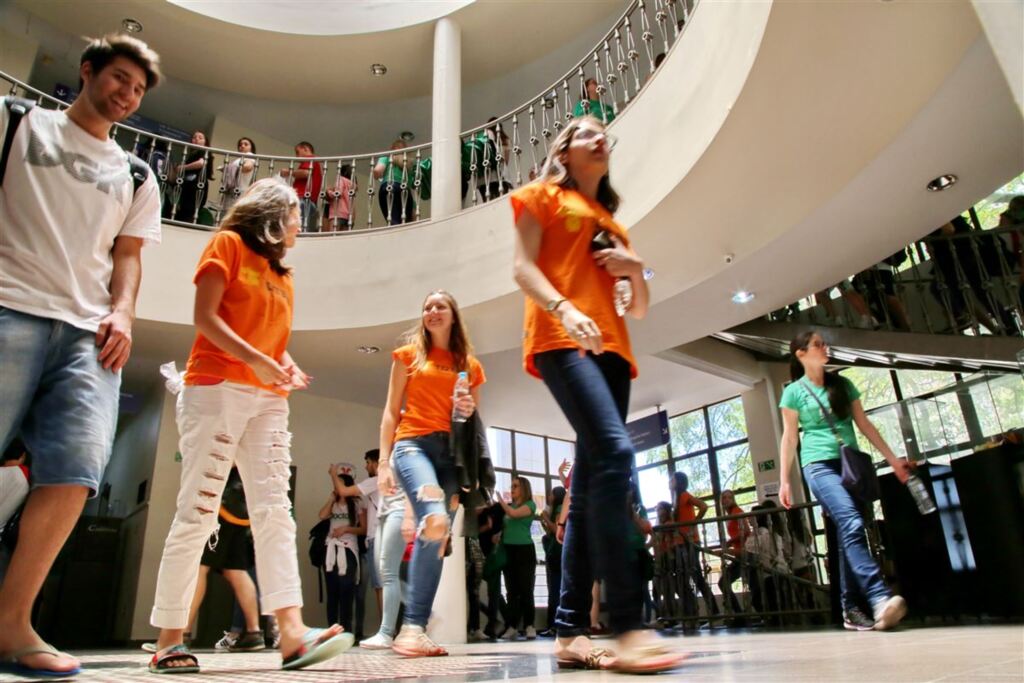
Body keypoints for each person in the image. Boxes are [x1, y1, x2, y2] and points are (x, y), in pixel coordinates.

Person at [0, 34, 162, 679]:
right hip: (8, 304)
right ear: (88, 71)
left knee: (75, 471)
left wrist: (122, 312)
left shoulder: (136, 174)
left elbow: (128, 257)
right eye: (120, 79)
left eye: (139, 90)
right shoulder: (17, 122)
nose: (126, 94)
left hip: (88, 332)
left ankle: (12, 625)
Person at [147, 179, 353, 673]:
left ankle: (291, 634)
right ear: (271, 214)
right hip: (216, 387)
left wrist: (284, 363)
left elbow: (267, 336)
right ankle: (168, 640)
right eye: (295, 213)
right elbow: (206, 318)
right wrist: (261, 359)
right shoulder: (229, 244)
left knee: (274, 512)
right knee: (197, 511)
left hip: (267, 398)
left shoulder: (282, 273)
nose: (301, 222)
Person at [510, 115, 683, 673]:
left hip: (614, 354)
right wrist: (564, 307)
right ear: (565, 148)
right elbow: (522, 269)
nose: (599, 136)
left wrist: (637, 269)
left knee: (586, 491)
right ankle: (629, 627)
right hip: (562, 338)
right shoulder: (541, 197)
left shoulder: (612, 221)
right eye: (586, 131)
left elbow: (637, 306)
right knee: (614, 455)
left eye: (604, 132)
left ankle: (567, 631)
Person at [778, 330, 911, 632]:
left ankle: (849, 607)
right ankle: (879, 598)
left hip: (851, 466)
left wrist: (893, 460)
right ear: (801, 353)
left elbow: (864, 425)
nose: (824, 347)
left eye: (824, 343)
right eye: (817, 344)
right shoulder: (793, 392)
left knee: (846, 533)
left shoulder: (843, 384)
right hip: (817, 465)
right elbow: (789, 438)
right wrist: (785, 481)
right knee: (851, 523)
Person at [376, 290, 486, 656]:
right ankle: (412, 627)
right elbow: (391, 411)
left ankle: (413, 631)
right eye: (427, 307)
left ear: (454, 315)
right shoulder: (407, 356)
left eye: (441, 306)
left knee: (435, 538)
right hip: (413, 446)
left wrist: (466, 408)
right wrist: (382, 463)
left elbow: (469, 422)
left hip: (452, 456)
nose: (433, 311)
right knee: (435, 521)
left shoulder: (469, 365)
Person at [330, 450, 383, 640]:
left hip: (377, 538)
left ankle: (386, 630)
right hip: (378, 538)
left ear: (377, 463)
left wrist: (333, 475)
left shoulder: (377, 480)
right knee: (385, 584)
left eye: (368, 462)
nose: (366, 466)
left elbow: (344, 491)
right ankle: (390, 628)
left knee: (381, 586)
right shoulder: (387, 482)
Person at [318, 470, 365, 633]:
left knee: (347, 590)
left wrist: (346, 529)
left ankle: (346, 630)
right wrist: (331, 499)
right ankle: (331, 630)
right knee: (332, 592)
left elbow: (363, 529)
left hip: (349, 550)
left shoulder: (358, 503)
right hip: (330, 549)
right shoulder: (334, 503)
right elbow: (322, 515)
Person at [670, 471, 717, 625]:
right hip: (680, 542)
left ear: (678, 481)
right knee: (684, 578)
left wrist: (693, 524)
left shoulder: (684, 495)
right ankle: (693, 613)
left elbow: (703, 506)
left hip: (690, 541)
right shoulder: (677, 498)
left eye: (672, 479)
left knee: (696, 576)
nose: (670, 482)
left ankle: (714, 611)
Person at [496, 477, 538, 640]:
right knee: (511, 590)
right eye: (511, 486)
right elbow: (507, 524)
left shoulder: (530, 505)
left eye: (515, 486)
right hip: (509, 549)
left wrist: (500, 499)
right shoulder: (510, 506)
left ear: (524, 488)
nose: (512, 489)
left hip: (524, 550)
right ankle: (512, 626)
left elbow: (513, 515)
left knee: (526, 589)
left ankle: (529, 626)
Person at [717, 489, 752, 620]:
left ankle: (740, 614)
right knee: (724, 581)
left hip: (744, 552)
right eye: (723, 498)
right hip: (739, 553)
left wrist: (730, 541)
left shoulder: (737, 511)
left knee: (724, 582)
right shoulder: (730, 513)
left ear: (733, 499)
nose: (725, 500)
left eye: (728, 498)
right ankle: (739, 614)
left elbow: (746, 531)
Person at [168, 129, 213, 224]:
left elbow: (201, 163)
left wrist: (182, 168)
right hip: (189, 185)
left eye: (200, 138)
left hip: (196, 186)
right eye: (194, 137)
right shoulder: (192, 154)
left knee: (189, 210)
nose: (196, 139)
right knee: (184, 210)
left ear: (205, 142)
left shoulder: (204, 151)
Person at [538, 485, 566, 636]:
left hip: (556, 554)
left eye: (550, 494)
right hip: (559, 553)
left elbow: (556, 530)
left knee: (554, 590)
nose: (549, 497)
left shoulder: (559, 509)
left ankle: (554, 625)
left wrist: (545, 517)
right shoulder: (562, 508)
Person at [280, 141, 323, 233]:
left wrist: (289, 172)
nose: (296, 156)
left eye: (297, 152)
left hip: (303, 199)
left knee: (297, 228)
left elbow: (306, 173)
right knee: (305, 230)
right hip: (310, 201)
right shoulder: (315, 162)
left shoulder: (310, 159)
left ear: (305, 149)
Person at [373, 140, 417, 226]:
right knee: (405, 223)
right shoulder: (409, 165)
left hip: (388, 186)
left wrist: (376, 176)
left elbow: (377, 170)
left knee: (392, 220)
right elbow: (409, 185)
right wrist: (414, 207)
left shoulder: (387, 157)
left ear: (392, 149)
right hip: (404, 190)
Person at [220, 137, 257, 216]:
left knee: (231, 214)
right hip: (233, 190)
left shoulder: (250, 155)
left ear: (251, 147)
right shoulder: (239, 159)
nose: (242, 146)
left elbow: (248, 167)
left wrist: (233, 169)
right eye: (240, 145)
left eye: (246, 144)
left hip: (239, 190)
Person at [322, 164, 354, 231]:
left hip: (337, 213)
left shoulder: (341, 179)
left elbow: (338, 193)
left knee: (333, 236)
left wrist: (328, 191)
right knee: (342, 238)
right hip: (347, 216)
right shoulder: (351, 185)